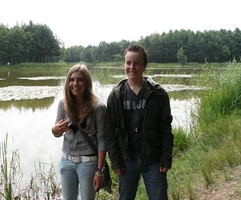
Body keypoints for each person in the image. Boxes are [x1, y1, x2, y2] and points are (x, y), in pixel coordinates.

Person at [106, 44, 174, 200]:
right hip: (126, 160)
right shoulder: (116, 95)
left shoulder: (158, 94)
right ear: (124, 64)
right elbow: (110, 132)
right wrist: (115, 161)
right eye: (128, 63)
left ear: (144, 66)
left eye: (136, 63)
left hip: (154, 160)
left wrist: (166, 157)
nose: (132, 67)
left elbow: (165, 128)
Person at [51, 64, 107, 200]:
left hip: (88, 163)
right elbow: (56, 132)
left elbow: (102, 140)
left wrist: (99, 171)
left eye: (80, 80)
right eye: (72, 79)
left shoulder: (98, 108)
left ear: (87, 82)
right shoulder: (63, 104)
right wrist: (55, 130)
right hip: (66, 161)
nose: (75, 83)